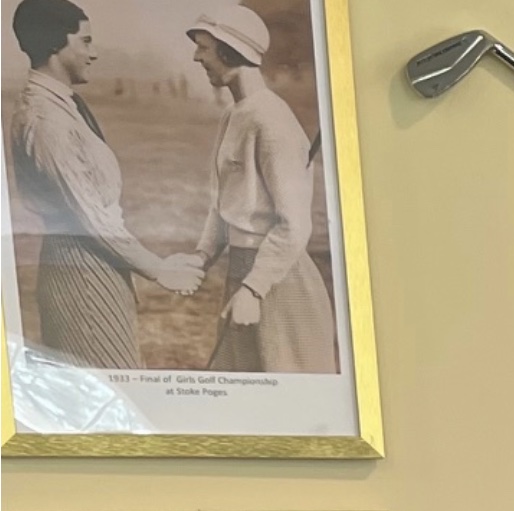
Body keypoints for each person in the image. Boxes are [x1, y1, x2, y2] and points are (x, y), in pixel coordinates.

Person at [6, 0, 203, 370]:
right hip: (81, 273)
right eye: (85, 41)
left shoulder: (63, 106)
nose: (94, 53)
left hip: (97, 265)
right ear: (54, 45)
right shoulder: (47, 119)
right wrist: (161, 270)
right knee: (109, 398)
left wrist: (158, 263)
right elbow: (90, 216)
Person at [184, 7, 337, 373]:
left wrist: (254, 289)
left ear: (229, 50)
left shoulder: (272, 122)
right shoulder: (235, 114)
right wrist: (202, 256)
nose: (196, 57)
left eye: (204, 48)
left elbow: (294, 225)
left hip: (280, 283)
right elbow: (223, 204)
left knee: (283, 389)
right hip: (244, 274)